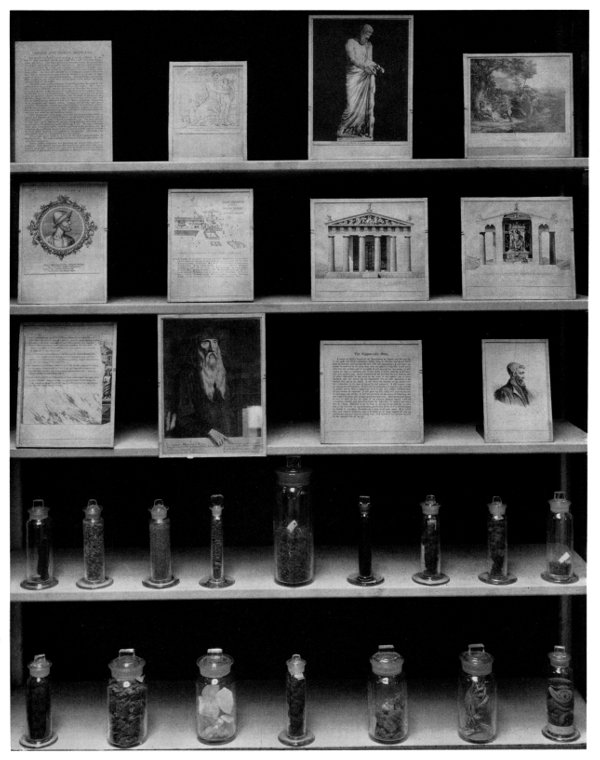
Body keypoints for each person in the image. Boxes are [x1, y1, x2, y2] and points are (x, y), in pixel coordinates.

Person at [166, 334, 238, 446]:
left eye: (214, 342)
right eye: (205, 342)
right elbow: (183, 418)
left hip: (227, 441)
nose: (211, 347)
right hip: (199, 441)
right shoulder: (188, 375)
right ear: (197, 348)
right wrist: (209, 430)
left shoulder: (225, 375)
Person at [337, 23, 384, 140]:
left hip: (364, 76)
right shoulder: (350, 42)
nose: (368, 36)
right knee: (351, 105)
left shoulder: (369, 45)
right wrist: (365, 67)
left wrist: (377, 66)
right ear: (361, 31)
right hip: (353, 76)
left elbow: (368, 60)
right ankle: (342, 129)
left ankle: (357, 130)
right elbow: (352, 59)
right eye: (367, 33)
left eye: (370, 34)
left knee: (363, 108)